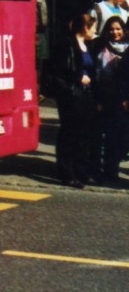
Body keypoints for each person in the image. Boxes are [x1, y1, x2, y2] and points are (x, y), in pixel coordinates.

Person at [50, 12, 99, 188]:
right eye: (93, 28)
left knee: (84, 135)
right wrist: (78, 79)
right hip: (71, 96)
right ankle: (67, 173)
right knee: (69, 134)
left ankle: (82, 172)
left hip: (86, 95)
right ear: (85, 28)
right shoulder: (67, 45)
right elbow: (59, 74)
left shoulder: (87, 46)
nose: (95, 31)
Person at [93, 17, 129, 185]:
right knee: (111, 139)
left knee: (123, 140)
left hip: (124, 100)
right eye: (112, 29)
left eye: (118, 29)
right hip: (109, 99)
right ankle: (110, 173)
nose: (115, 32)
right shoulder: (100, 47)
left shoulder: (127, 48)